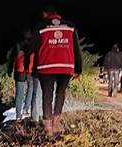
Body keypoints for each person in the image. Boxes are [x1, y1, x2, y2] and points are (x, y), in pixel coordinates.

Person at [29, 6, 83, 134]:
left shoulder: (41, 27)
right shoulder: (70, 26)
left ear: (45, 14)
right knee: (61, 94)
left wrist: (31, 67)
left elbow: (32, 48)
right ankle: (57, 123)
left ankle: (48, 127)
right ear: (58, 14)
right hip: (66, 66)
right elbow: (77, 48)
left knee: (47, 96)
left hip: (46, 67)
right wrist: (78, 69)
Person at [8, 30, 35, 120]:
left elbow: (11, 58)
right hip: (30, 70)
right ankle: (26, 109)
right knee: (31, 89)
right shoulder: (33, 44)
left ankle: (18, 116)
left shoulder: (17, 44)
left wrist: (9, 70)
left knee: (19, 94)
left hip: (19, 70)